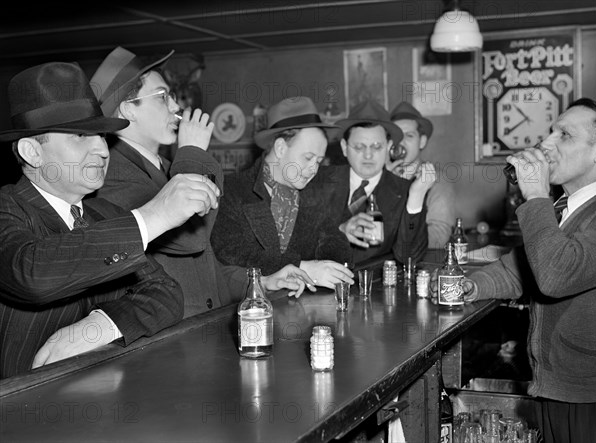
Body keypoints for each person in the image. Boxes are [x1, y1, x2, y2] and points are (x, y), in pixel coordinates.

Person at [0, 62, 216, 378]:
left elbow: (166, 293)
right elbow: (32, 272)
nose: (102, 149)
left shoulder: (104, 214)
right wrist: (153, 216)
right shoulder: (8, 209)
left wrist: (102, 324)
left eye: (100, 134)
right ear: (32, 152)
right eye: (79, 136)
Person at [90, 47, 314, 318]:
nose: (176, 107)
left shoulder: (169, 167)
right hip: (165, 341)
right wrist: (193, 153)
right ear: (128, 110)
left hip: (199, 329)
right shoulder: (112, 173)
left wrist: (260, 282)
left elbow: (203, 263)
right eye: (162, 97)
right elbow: (190, 241)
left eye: (171, 96)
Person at [432, 98, 596, 442]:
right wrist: (472, 286)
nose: (547, 143)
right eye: (550, 132)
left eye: (564, 135)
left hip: (588, 391)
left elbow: (554, 275)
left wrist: (536, 194)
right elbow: (520, 268)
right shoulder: (565, 207)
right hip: (557, 383)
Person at [211, 96, 354, 289]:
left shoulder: (316, 194)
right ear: (280, 148)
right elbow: (231, 253)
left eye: (318, 161)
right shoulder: (232, 190)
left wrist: (336, 265)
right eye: (308, 158)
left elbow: (333, 243)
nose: (314, 169)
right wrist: (302, 267)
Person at [316, 100, 432, 266]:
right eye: (359, 147)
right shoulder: (318, 181)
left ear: (389, 146)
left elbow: (409, 257)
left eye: (377, 147)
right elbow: (297, 245)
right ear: (344, 147)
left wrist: (416, 197)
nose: (368, 155)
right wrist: (339, 232)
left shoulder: (404, 191)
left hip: (375, 288)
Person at [388, 101, 456, 248]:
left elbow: (439, 237)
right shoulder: (378, 176)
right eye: (396, 135)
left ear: (422, 141)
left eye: (409, 136)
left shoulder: (438, 181)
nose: (401, 143)